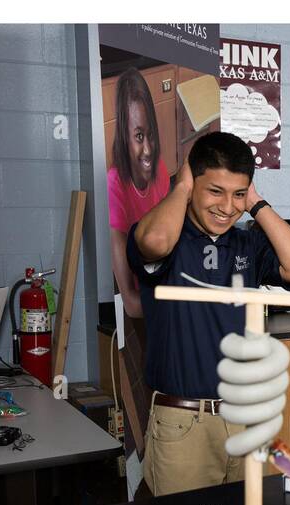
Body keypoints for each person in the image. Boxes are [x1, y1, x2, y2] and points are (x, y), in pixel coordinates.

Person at [128, 131, 290, 496]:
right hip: (184, 421)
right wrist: (181, 188)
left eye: (238, 194)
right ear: (190, 182)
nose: (227, 206)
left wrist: (257, 204)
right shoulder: (167, 236)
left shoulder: (246, 242)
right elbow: (153, 243)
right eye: (215, 191)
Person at [108, 68, 172, 319]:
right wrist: (186, 302)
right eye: (138, 136)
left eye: (151, 135)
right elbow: (132, 305)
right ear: (124, 138)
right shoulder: (114, 186)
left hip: (163, 292)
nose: (147, 149)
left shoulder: (160, 168)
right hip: (149, 309)